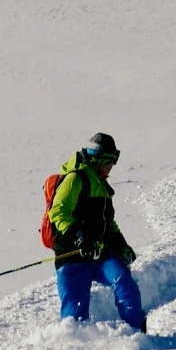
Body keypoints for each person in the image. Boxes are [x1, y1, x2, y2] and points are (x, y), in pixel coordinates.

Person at [47, 132, 147, 332]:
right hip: (73, 255)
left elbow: (109, 223)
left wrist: (122, 245)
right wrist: (81, 239)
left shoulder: (101, 185)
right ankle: (76, 344)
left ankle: (137, 333)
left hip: (101, 253)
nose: (111, 167)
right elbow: (58, 212)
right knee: (74, 317)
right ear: (99, 159)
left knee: (124, 282)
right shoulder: (75, 179)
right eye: (109, 162)